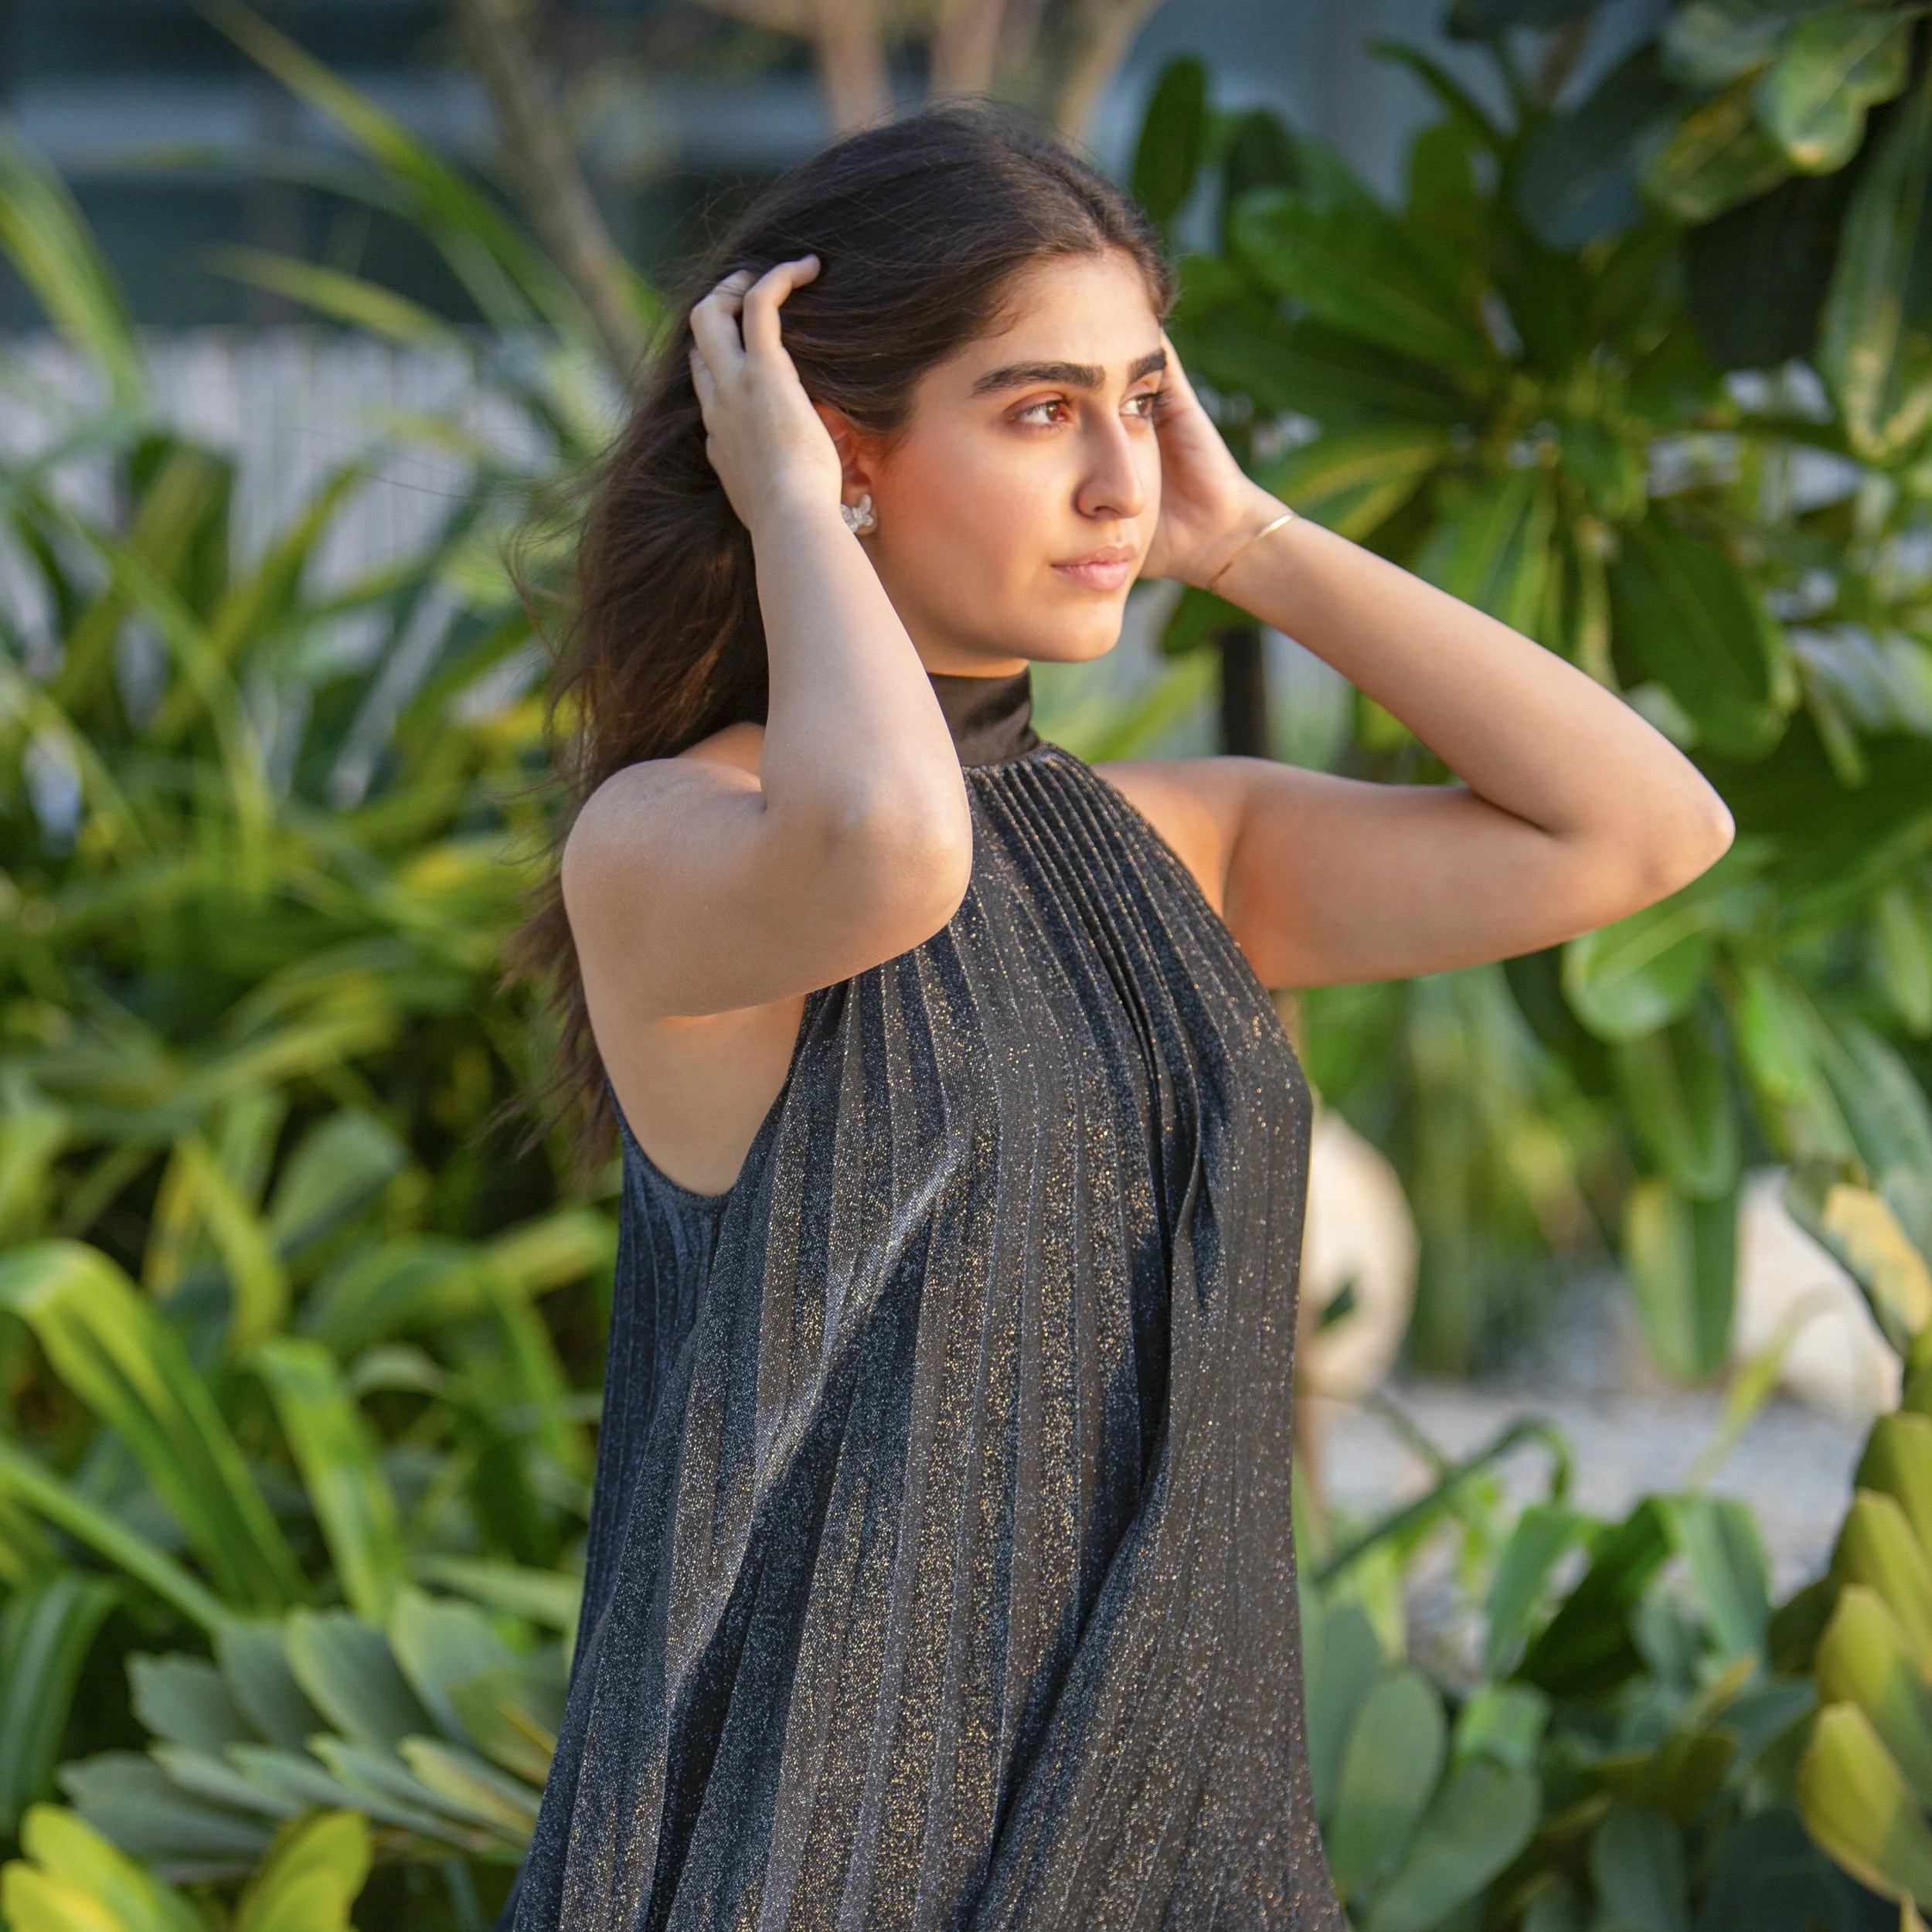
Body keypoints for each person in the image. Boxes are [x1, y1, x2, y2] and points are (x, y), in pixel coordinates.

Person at [500, 103, 1733, 1930]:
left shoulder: (1177, 844)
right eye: (1035, 407)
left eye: (1139, 400)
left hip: (1182, 1845)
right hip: (825, 1868)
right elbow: (896, 845)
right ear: (841, 445)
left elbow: (1641, 826)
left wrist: (1247, 543)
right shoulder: (673, 842)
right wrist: (780, 510)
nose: (1115, 479)